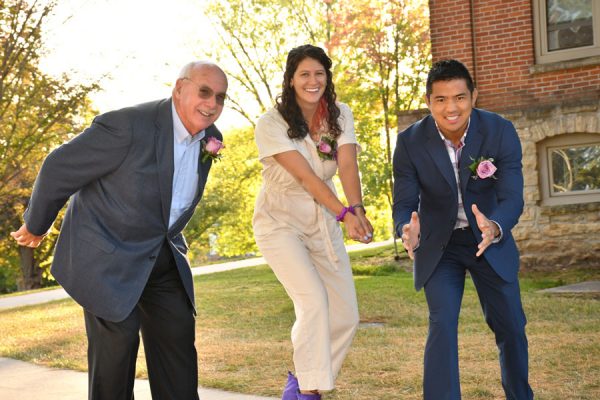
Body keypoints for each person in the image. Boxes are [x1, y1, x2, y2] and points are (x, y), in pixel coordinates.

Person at [10, 61, 227, 400]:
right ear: (179, 88)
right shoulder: (128, 126)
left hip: (161, 256)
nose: (212, 103)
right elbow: (58, 166)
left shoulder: (211, 139)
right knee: (117, 348)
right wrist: (37, 224)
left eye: (220, 97)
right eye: (204, 92)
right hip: (106, 257)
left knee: (178, 337)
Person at [392, 59, 534, 399]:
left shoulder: (499, 130)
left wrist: (495, 225)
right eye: (440, 99)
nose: (450, 108)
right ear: (428, 102)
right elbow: (404, 203)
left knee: (511, 327)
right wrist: (405, 230)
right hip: (440, 245)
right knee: (442, 324)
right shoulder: (410, 142)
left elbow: (513, 196)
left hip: (488, 240)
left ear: (473, 96)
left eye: (459, 97)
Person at [252, 44, 373, 400]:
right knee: (313, 302)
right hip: (280, 223)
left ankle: (305, 378)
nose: (312, 80)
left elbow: (347, 164)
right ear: (291, 79)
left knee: (346, 315)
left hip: (323, 220)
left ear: (327, 78)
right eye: (304, 74)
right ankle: (307, 392)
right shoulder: (270, 123)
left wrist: (358, 209)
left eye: (319, 73)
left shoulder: (341, 114)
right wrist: (344, 213)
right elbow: (306, 177)